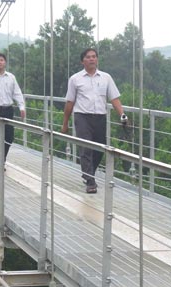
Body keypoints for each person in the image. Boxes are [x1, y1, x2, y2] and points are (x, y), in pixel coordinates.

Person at [61, 47, 128, 194]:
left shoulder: (106, 78)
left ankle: (88, 173)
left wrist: (123, 115)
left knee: (99, 149)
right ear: (82, 61)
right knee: (86, 148)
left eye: (94, 56)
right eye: (88, 57)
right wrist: (65, 123)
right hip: (82, 116)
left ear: (97, 59)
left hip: (100, 117)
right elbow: (70, 102)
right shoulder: (75, 79)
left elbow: (114, 98)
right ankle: (91, 182)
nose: (92, 59)